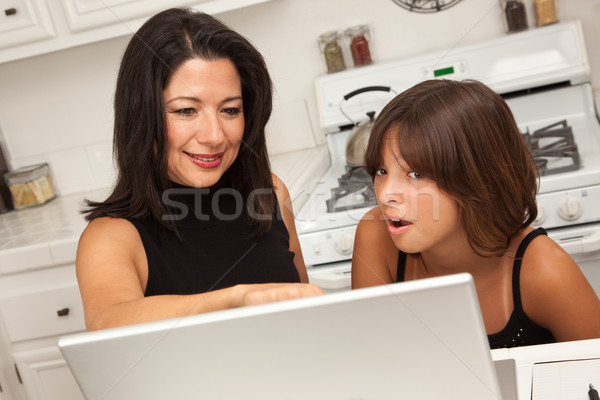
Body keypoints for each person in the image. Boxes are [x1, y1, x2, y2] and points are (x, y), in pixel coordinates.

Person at [77, 8, 323, 331]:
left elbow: (310, 315)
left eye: (230, 110)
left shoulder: (269, 193)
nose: (215, 136)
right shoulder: (111, 237)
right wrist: (233, 301)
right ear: (141, 116)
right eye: (186, 110)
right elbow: (108, 323)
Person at [351, 79, 600, 349]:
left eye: (416, 174)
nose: (386, 193)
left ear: (476, 178)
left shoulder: (545, 270)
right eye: (381, 171)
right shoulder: (375, 237)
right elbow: (370, 362)